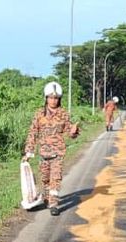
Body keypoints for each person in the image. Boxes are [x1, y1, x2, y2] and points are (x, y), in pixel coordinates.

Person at [23, 82, 80, 216]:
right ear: (46, 98)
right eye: (50, 97)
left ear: (59, 99)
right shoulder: (39, 114)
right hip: (43, 153)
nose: (53, 100)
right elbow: (33, 133)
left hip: (57, 153)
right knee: (45, 180)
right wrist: (29, 152)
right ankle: (47, 199)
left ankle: (54, 204)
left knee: (55, 178)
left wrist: (73, 131)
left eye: (56, 98)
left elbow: (69, 133)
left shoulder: (63, 114)